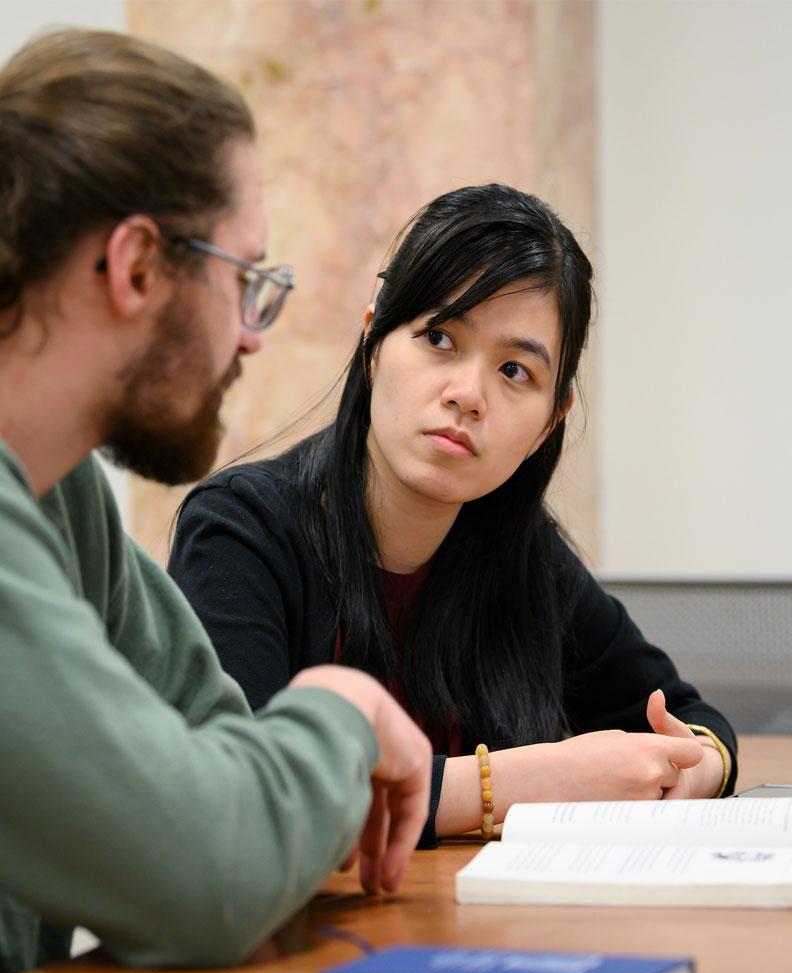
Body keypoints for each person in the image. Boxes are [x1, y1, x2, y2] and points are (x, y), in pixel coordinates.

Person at [0, 28, 432, 973]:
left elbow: (224, 765)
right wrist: (346, 707)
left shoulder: (56, 487)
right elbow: (213, 871)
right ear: (138, 267)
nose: (252, 337)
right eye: (246, 280)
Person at [169, 182, 738, 847]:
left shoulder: (521, 556)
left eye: (515, 371)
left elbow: (688, 717)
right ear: (374, 340)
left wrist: (705, 765)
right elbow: (248, 800)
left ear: (550, 422)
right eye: (439, 337)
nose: (468, 395)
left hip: (476, 930)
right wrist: (525, 782)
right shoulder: (242, 531)